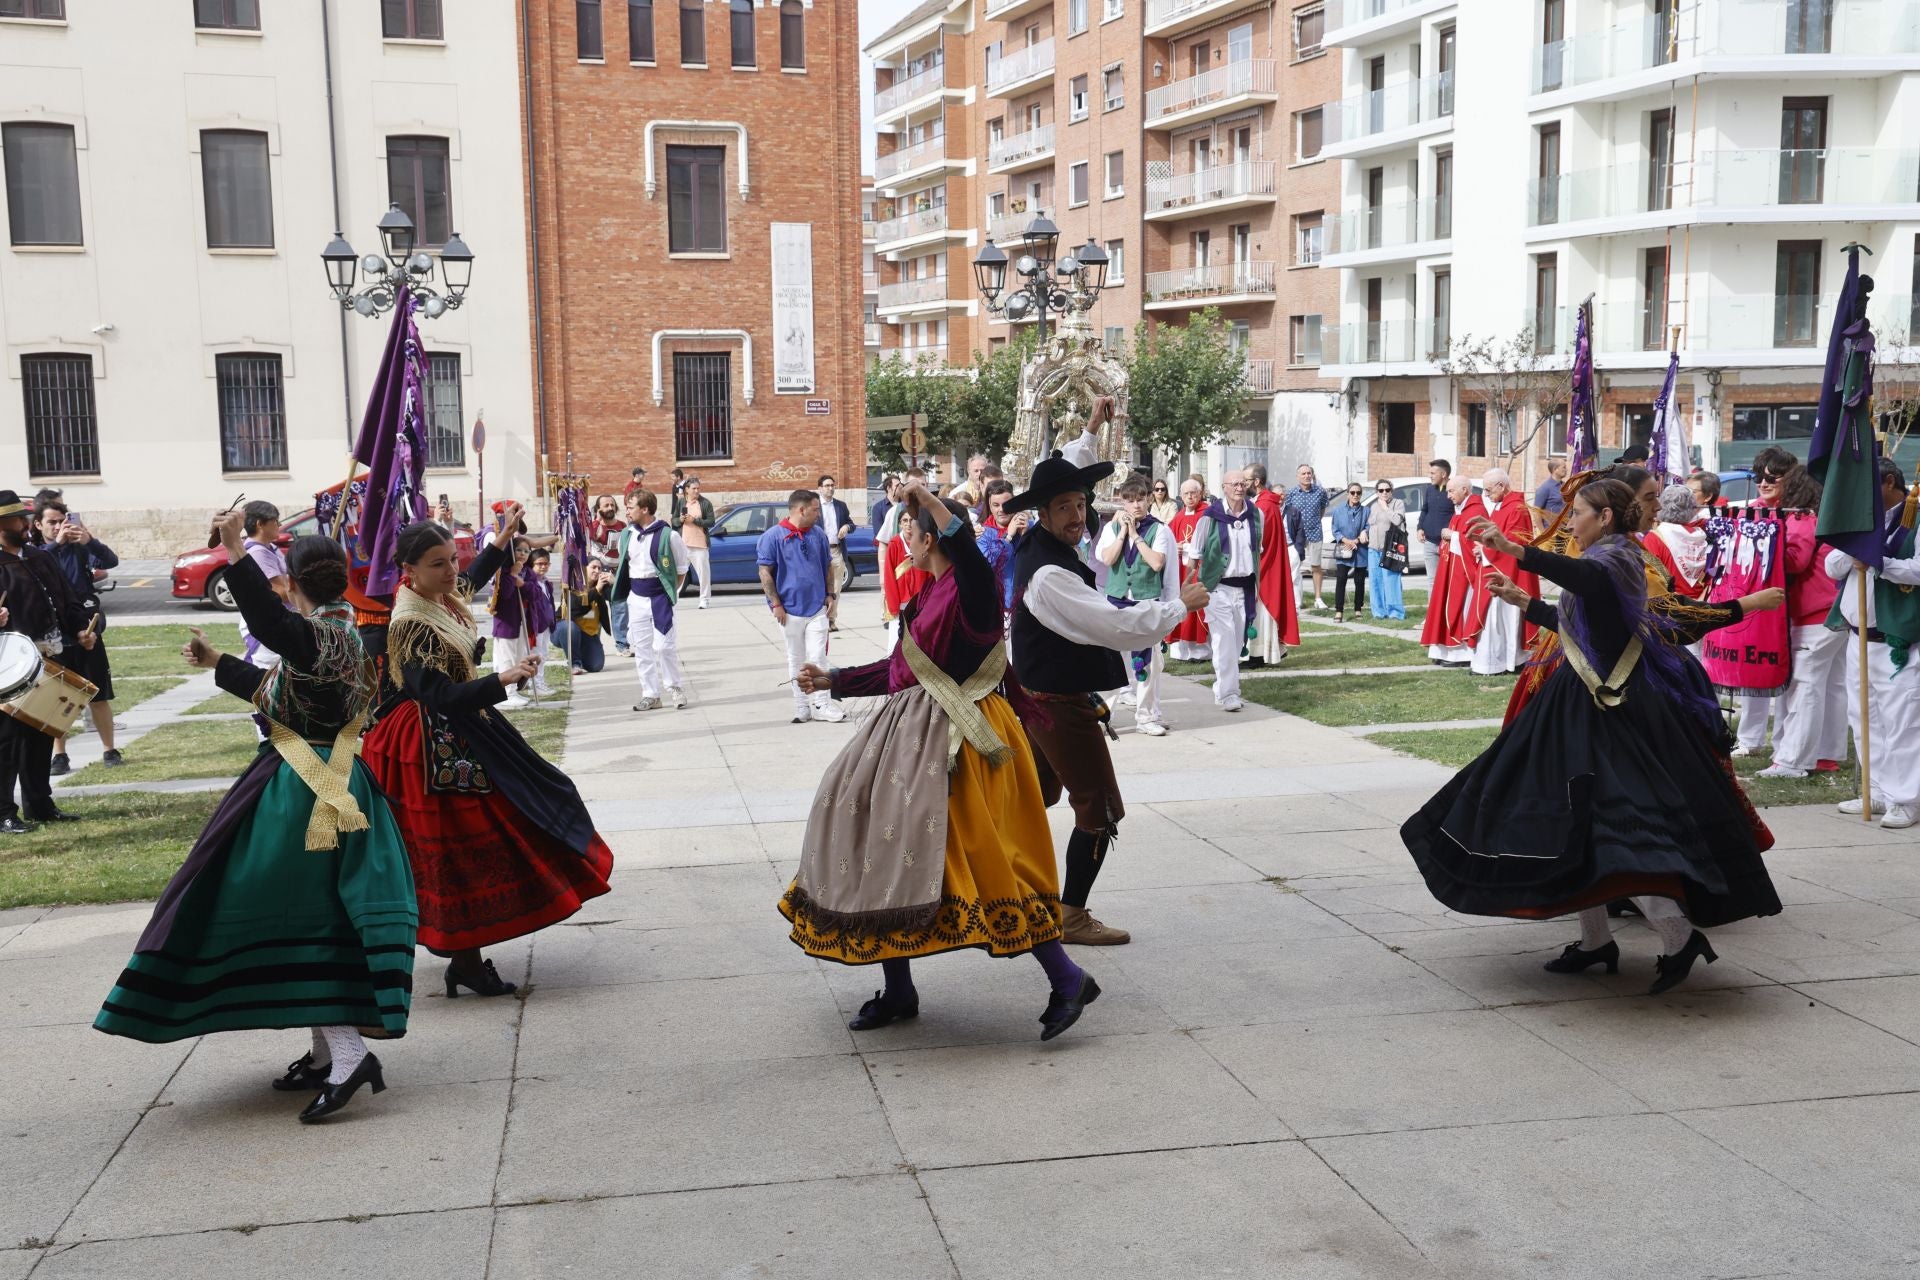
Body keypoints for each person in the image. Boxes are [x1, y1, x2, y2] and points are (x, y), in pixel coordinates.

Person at [1403, 478, 1784, 995]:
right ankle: (1595, 941)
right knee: (1575, 830)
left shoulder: (1617, 559)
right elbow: (1586, 623)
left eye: (1578, 511)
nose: (1570, 519)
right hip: (1576, 707)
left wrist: (1514, 549)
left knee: (1620, 837)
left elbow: (1594, 585)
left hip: (1605, 715)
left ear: (1605, 517)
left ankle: (1677, 937)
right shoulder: (1611, 556)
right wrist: (1524, 601)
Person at [96, 516, 413, 1123]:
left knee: (297, 911)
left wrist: (237, 550)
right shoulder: (338, 629)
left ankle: (349, 1054)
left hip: (306, 788)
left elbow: (273, 633)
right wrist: (219, 661)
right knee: (316, 908)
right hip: (324, 777)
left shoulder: (318, 633)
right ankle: (326, 1051)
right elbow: (284, 688)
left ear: (291, 583)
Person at [778, 482, 1101, 1041]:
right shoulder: (920, 600)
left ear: (932, 538)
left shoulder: (970, 587)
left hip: (965, 744)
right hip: (911, 738)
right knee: (883, 853)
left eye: (911, 529)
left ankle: (1068, 978)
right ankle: (899, 990)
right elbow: (900, 672)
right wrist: (835, 680)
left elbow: (967, 548)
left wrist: (927, 497)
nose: (903, 536)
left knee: (990, 860)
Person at [364, 503, 615, 998]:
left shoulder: (437, 594)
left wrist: (498, 543)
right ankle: (466, 959)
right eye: (438, 564)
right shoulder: (409, 624)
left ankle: (466, 958)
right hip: (427, 747)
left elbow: (469, 579)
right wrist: (501, 679)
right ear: (408, 571)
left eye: (451, 559)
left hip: (464, 728)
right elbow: (433, 694)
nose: (451, 571)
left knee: (534, 799)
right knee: (463, 847)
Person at [1008, 455, 1209, 945]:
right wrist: (1181, 605)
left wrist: (1089, 433)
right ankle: (1070, 916)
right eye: (1064, 507)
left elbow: (1066, 474)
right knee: (1099, 810)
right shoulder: (1049, 573)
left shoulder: (1043, 545)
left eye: (1081, 504)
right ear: (1041, 513)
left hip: (1041, 697)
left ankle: (1011, 895)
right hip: (1055, 705)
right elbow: (1115, 626)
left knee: (1030, 799)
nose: (1077, 516)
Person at [1826, 461, 1918, 829]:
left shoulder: (1914, 515)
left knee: (1902, 720)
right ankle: (1877, 790)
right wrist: (1855, 551)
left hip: (1899, 639)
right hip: (1858, 636)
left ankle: (1906, 798)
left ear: (1889, 482)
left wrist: (1880, 561)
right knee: (1864, 717)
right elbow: (1832, 566)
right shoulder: (1860, 518)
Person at [0, 490, 92, 830]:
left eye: (24, 518)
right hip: (8, 665)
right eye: (17, 519)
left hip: (48, 657)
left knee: (41, 733)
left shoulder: (40, 557)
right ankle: (4, 813)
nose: (25, 524)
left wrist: (81, 629)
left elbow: (67, 601)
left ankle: (40, 804)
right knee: (7, 743)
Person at [1753, 462, 1848, 780]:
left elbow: (1794, 561)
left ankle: (1793, 761)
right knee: (1830, 686)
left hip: (1814, 614)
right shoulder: (1819, 515)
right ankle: (1825, 754)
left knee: (1805, 687)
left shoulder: (1799, 518)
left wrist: (1762, 547)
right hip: (1833, 610)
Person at [37, 501, 120, 773]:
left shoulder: (79, 548)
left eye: (63, 520)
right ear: (38, 525)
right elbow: (37, 570)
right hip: (54, 631)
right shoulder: (37, 553)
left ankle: (110, 749)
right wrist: (57, 544)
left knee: (97, 692)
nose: (59, 526)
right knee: (57, 695)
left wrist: (90, 541)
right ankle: (59, 754)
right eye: (52, 522)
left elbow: (110, 561)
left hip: (86, 626)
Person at [1096, 475, 1178, 737]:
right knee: (1111, 661)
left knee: (1149, 663)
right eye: (1130, 501)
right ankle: (1101, 718)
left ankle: (1146, 716)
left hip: (1146, 601)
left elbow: (1156, 563)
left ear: (1148, 498)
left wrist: (1136, 535)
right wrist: (1122, 533)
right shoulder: (1111, 528)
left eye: (1140, 499)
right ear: (1123, 502)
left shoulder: (1160, 530)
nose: (1136, 506)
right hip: (1117, 601)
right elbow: (1107, 559)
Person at [758, 489, 844, 724]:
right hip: (789, 610)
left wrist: (829, 595)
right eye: (815, 509)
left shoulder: (818, 535)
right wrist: (776, 604)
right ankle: (801, 706)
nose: (819, 514)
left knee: (818, 657)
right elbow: (765, 572)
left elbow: (828, 566)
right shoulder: (773, 537)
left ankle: (822, 704)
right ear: (801, 509)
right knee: (795, 658)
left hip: (817, 608)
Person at [1187, 469, 1265, 711]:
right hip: (1218, 588)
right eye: (1234, 484)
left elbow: (1257, 550)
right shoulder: (1209, 517)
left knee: (1238, 639)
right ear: (1224, 487)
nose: (1239, 488)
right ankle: (1228, 693)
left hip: (1245, 588)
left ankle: (1228, 688)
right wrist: (1188, 586)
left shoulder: (1256, 514)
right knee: (1223, 641)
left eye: (1243, 484)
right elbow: (1194, 555)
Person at [615, 489, 690, 712]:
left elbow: (681, 569)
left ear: (645, 509)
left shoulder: (670, 535)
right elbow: (625, 566)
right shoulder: (627, 535)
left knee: (664, 646)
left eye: (631, 506)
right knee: (642, 648)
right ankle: (650, 694)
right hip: (636, 597)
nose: (627, 511)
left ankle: (674, 687)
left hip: (659, 597)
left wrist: (669, 592)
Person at [1469, 468, 1538, 675]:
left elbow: (1514, 543)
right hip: (1498, 568)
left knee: (1502, 618)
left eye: (1488, 490)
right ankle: (1496, 662)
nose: (1486, 494)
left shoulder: (1516, 508)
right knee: (1494, 619)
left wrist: (1484, 549)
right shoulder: (1501, 507)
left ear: (1501, 486)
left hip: (1510, 573)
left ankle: (1504, 662)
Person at [1421, 476, 1486, 667]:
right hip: (1450, 567)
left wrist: (1454, 536)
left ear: (1465, 490)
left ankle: (1460, 654)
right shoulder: (1460, 510)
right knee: (1443, 605)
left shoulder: (1476, 510)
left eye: (1451, 491)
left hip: (1464, 572)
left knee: (1459, 608)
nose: (1448, 496)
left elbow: (1476, 540)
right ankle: (1442, 649)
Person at [1246, 465, 1298, 666]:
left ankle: (1260, 655)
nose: (1243, 485)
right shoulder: (1262, 502)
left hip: (1264, 566)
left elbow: (1259, 539)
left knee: (1262, 611)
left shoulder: (1265, 505)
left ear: (1256, 481)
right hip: (1264, 563)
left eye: (1246, 480)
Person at [237, 501, 291, 670]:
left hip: (278, 621)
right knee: (269, 679)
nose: (279, 525)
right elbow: (279, 592)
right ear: (260, 524)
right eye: (275, 520)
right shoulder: (258, 552)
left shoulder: (270, 548)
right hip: (269, 625)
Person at [1166, 477, 1212, 660]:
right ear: (1181, 496)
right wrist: (1174, 546)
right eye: (1186, 494)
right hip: (1181, 570)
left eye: (1194, 493)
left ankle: (1202, 652)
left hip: (1200, 569)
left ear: (1200, 494)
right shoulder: (1179, 516)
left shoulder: (1208, 514)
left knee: (1198, 607)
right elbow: (1168, 537)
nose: (1190, 497)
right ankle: (1183, 651)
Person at [488, 536, 535, 709]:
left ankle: (513, 690)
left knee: (518, 657)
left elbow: (534, 593)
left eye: (526, 551)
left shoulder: (528, 572)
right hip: (506, 623)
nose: (523, 554)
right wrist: (512, 574)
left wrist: (523, 584)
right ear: (511, 552)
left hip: (521, 622)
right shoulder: (503, 571)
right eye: (519, 550)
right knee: (506, 659)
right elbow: (504, 594)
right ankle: (506, 693)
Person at [1643, 484, 1710, 601]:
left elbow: (1650, 580)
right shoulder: (1703, 536)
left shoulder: (1654, 538)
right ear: (1691, 508)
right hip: (1703, 605)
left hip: (1670, 607)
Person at [589, 495, 629, 653]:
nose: (610, 508)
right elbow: (590, 537)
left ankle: (622, 644)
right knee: (593, 608)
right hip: (598, 572)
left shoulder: (622, 526)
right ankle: (592, 646)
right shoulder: (594, 526)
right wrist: (597, 520)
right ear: (599, 509)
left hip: (617, 572)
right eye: (606, 505)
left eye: (612, 505)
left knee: (619, 604)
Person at [556, 559, 611, 675]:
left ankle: (578, 652)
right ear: (584, 568)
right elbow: (577, 606)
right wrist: (597, 590)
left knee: (595, 665)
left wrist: (614, 582)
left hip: (587, 634)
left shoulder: (601, 586)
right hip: (564, 627)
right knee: (570, 628)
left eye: (599, 568)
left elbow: (617, 597)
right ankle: (574, 663)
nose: (597, 571)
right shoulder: (572, 585)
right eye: (593, 567)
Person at [977, 478, 1023, 611]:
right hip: (999, 607)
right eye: (996, 505)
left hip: (1028, 605)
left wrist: (1026, 534)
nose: (1001, 510)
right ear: (989, 507)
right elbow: (988, 565)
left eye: (1006, 504)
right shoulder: (982, 533)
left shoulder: (1028, 527)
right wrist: (1007, 536)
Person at [1367, 480, 1409, 620]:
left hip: (1390, 549)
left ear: (1392, 490)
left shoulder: (1398, 503)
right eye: (1381, 490)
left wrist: (1386, 508)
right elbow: (1371, 525)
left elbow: (1397, 521)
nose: (1384, 492)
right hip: (1374, 548)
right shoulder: (1373, 506)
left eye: (1387, 490)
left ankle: (1396, 613)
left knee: (1391, 581)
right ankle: (1379, 612)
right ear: (1377, 492)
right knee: (1375, 581)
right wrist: (1363, 532)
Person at [1329, 482, 1369, 622]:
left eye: (1358, 493)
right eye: (1353, 492)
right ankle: (1339, 611)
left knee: (1360, 581)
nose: (1355, 495)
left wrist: (1356, 541)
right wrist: (1346, 541)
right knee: (1341, 580)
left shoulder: (1366, 511)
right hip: (1344, 550)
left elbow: (1368, 527)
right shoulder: (1338, 510)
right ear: (1348, 494)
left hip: (1361, 550)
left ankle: (1358, 609)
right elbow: (1335, 530)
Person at [819, 475, 854, 631]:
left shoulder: (841, 506)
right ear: (820, 488)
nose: (830, 488)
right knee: (821, 587)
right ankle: (820, 619)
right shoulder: (814, 506)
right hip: (819, 553)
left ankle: (831, 620)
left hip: (836, 550)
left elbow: (851, 524)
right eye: (827, 485)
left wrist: (846, 527)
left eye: (832, 485)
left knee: (836, 588)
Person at [523, 549, 559, 697]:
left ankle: (539, 681)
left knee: (543, 653)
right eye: (539, 564)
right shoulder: (530, 583)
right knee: (536, 654)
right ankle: (535, 684)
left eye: (546, 563)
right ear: (532, 565)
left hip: (545, 624)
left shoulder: (546, 583)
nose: (543, 567)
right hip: (535, 626)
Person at [1416, 459, 1456, 580]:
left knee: (1448, 579)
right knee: (1432, 580)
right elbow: (1425, 510)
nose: (1430, 476)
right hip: (1429, 542)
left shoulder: (1454, 490)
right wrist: (1420, 528)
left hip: (1447, 543)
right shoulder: (1430, 490)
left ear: (1443, 474)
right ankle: (1432, 600)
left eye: (1433, 473)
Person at [679, 476, 715, 609]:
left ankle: (704, 600)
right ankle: (673, 599)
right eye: (694, 488)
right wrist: (681, 519)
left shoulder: (705, 503)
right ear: (687, 489)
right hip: (683, 545)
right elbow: (675, 521)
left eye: (698, 488)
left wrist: (694, 520)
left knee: (703, 574)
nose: (696, 491)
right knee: (678, 573)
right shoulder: (681, 502)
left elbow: (711, 522)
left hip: (700, 545)